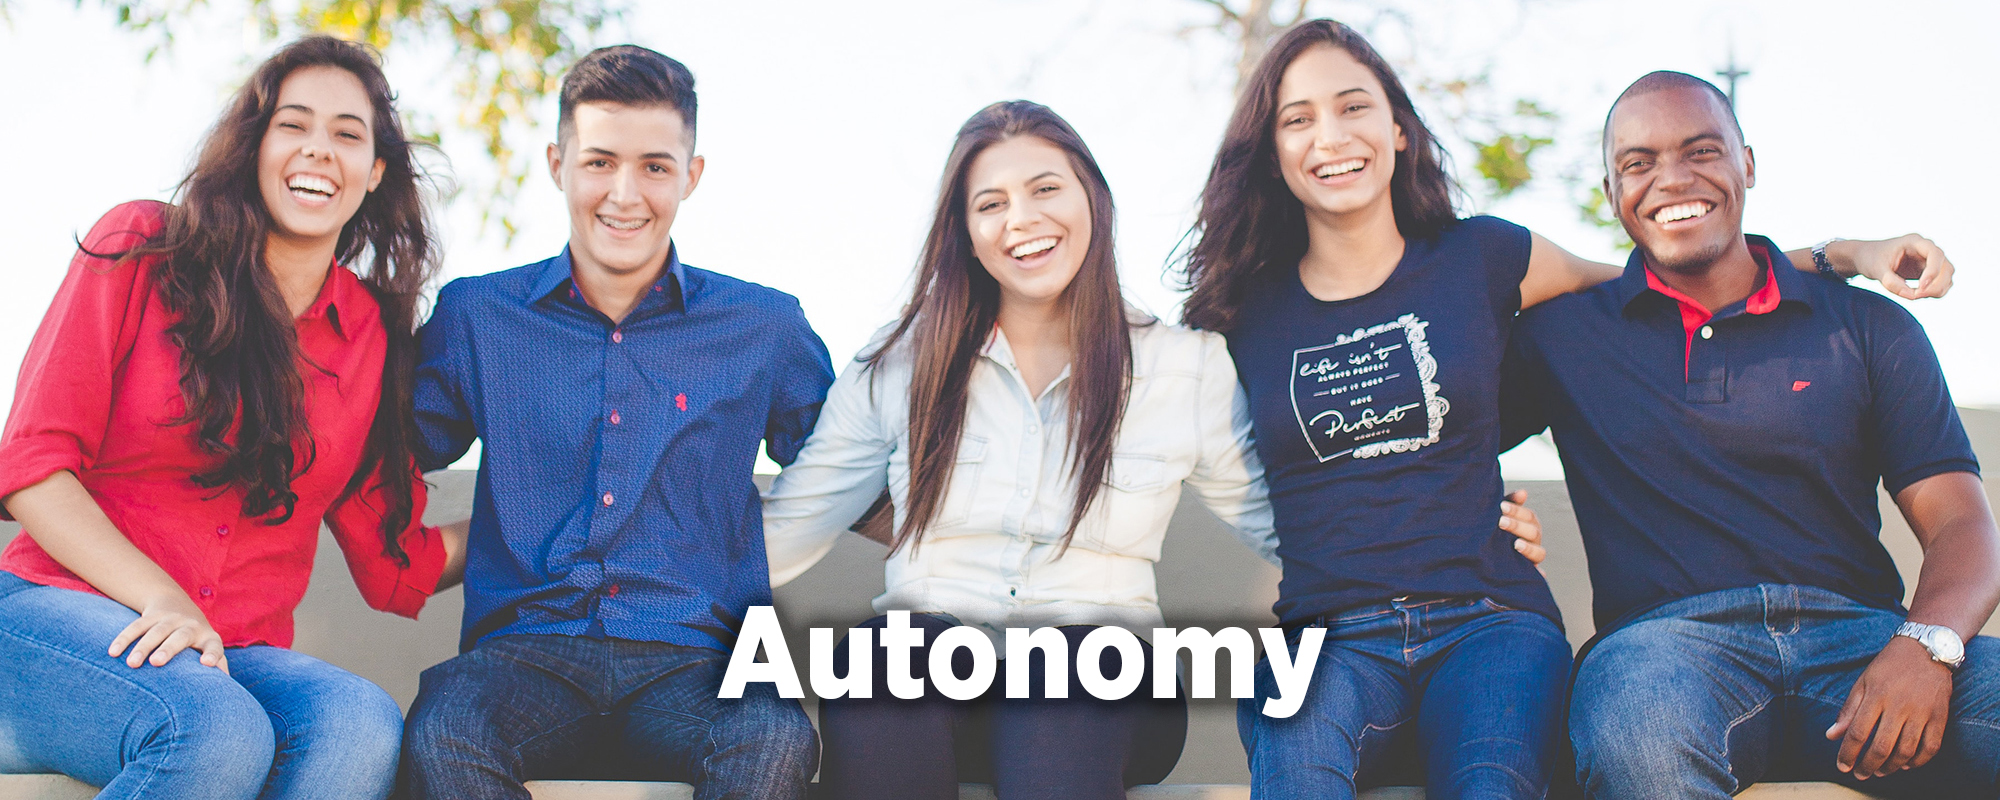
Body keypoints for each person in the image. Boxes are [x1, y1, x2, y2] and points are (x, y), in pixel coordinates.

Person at [1176, 20, 1956, 800]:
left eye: (1353, 107)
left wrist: (1840, 255)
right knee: (1292, 751)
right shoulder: (1240, 311)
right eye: (1298, 118)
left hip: (1489, 621)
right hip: (1332, 634)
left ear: (1400, 130)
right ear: (1271, 150)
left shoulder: (1484, 257)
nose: (1331, 136)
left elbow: (1665, 275)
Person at [760, 100, 1548, 800]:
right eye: (989, 204)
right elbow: (786, 528)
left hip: (1102, 676)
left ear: (1092, 202)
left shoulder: (1182, 367)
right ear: (965, 233)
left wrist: (1458, 523)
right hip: (935, 667)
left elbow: (1297, 524)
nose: (1021, 219)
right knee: (882, 667)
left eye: (1045, 189)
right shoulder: (898, 364)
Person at [1501, 70, 2000, 799]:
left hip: (1862, 642)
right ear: (1611, 193)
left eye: (1701, 151)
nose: (1671, 180)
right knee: (1642, 735)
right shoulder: (1562, 335)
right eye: (1637, 164)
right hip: (1665, 651)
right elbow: (1433, 446)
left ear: (1748, 165)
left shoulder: (1865, 325)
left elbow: (1961, 521)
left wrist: (1927, 645)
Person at [0, 36, 462, 800]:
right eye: (295, 125)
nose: (319, 150)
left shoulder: (373, 338)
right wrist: (160, 595)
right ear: (254, 146)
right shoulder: (143, 248)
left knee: (360, 726)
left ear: (374, 173)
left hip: (229, 656)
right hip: (57, 618)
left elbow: (396, 563)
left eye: (347, 134)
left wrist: (554, 519)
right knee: (213, 732)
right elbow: (31, 467)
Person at [397, 45, 833, 800]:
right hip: (524, 657)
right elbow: (373, 453)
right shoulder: (478, 317)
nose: (624, 194)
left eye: (655, 167)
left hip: (697, 660)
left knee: (772, 736)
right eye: (599, 162)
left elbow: (854, 470)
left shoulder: (764, 327)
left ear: (691, 176)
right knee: (444, 728)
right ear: (557, 162)